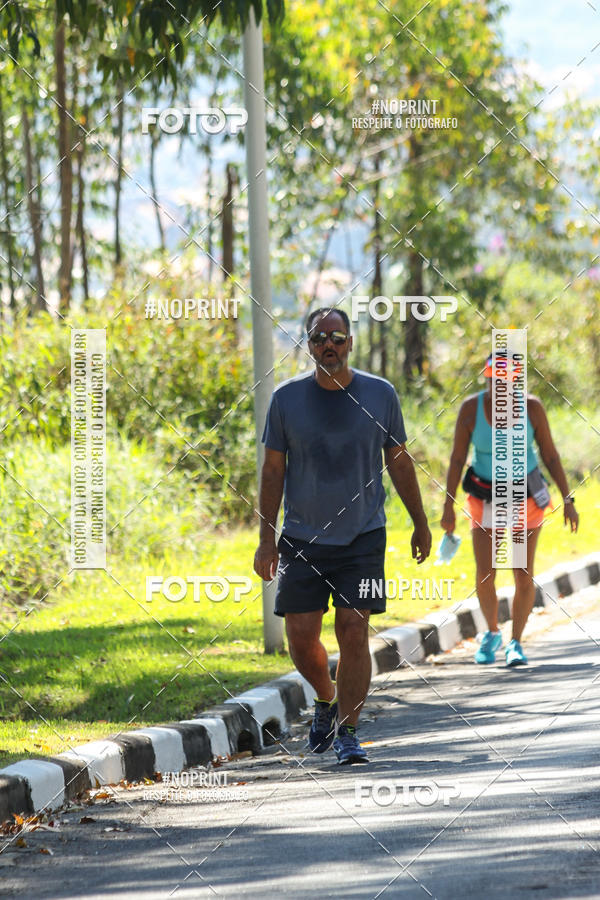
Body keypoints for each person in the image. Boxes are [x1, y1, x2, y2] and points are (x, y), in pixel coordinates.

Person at [254, 308, 431, 764]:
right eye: (318, 338)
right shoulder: (286, 400)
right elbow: (273, 470)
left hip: (363, 538)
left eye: (336, 337)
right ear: (308, 346)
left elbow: (399, 460)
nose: (327, 345)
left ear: (350, 342)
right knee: (300, 638)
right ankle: (325, 698)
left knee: (354, 630)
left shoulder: (380, 394)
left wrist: (420, 521)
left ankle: (349, 733)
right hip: (301, 538)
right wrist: (266, 538)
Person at [441, 355, 579, 666]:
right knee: (486, 571)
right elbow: (456, 458)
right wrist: (447, 506)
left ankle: (515, 642)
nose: (500, 386)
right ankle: (491, 633)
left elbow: (551, 456)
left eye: (506, 381)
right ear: (486, 379)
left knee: (522, 572)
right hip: (484, 496)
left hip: (525, 497)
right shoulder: (470, 410)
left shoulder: (532, 408)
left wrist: (568, 500)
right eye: (494, 380)